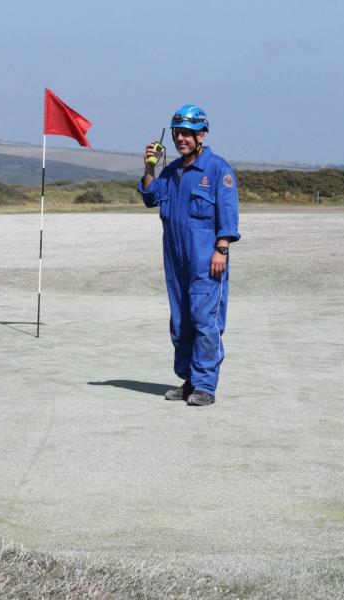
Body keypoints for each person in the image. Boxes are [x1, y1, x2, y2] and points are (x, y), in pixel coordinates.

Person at [138, 104, 240, 407]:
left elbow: (228, 214)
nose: (182, 139)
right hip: (176, 260)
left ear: (201, 135)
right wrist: (149, 168)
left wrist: (222, 248)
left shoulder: (217, 169)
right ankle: (189, 380)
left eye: (188, 134)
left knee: (205, 321)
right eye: (178, 133)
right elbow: (150, 197)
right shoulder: (170, 173)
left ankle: (206, 386)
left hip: (206, 259)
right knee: (181, 321)